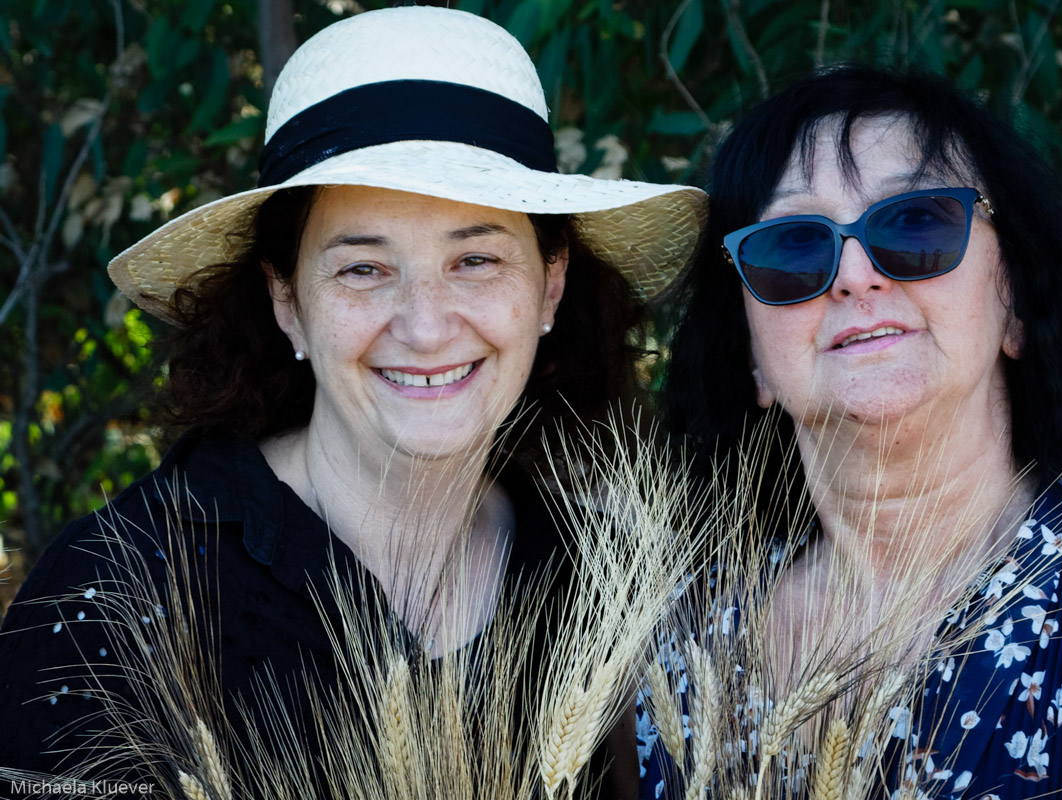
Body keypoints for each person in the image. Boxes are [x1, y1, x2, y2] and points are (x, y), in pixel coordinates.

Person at [0, 6, 704, 792]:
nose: (426, 327)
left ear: (551, 286)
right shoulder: (115, 597)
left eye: (475, 260)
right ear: (288, 302)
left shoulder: (601, 583)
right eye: (363, 269)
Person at [640, 64, 1062, 798]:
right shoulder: (672, 646)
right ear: (751, 355)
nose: (855, 275)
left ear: (1014, 300)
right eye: (793, 246)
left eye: (917, 222)